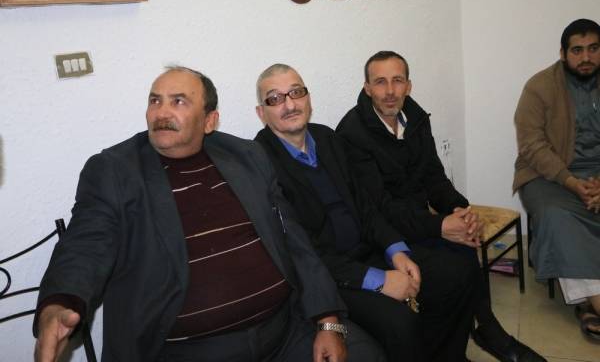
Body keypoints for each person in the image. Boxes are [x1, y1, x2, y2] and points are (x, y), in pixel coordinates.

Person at [33, 66, 385, 362]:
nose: (161, 112)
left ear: (209, 120)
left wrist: (327, 320)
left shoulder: (248, 157)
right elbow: (86, 244)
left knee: (367, 356)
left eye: (178, 101)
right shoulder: (115, 170)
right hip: (184, 350)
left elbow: (294, 240)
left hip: (283, 332)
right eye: (155, 100)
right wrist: (60, 302)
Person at [254, 63, 479, 362]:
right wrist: (379, 280)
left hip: (369, 250)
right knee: (399, 322)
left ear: (308, 98)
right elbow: (301, 253)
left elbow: (366, 207)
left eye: (296, 92)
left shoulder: (327, 138)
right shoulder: (259, 164)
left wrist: (396, 251)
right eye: (275, 98)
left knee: (458, 273)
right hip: (329, 277)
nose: (290, 104)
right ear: (261, 113)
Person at [336, 51, 547, 361]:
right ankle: (476, 336)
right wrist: (440, 226)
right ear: (367, 88)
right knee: (453, 271)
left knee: (464, 246)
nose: (390, 91)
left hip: (416, 222)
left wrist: (460, 210)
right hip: (383, 237)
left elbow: (434, 177)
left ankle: (478, 333)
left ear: (409, 85)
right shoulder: (352, 135)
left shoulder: (415, 118)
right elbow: (379, 209)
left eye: (397, 80)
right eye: (380, 82)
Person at [513, 18, 600, 341]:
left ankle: (587, 304)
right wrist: (571, 182)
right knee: (556, 216)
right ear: (563, 54)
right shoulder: (539, 87)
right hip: (549, 176)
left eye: (593, 48)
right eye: (577, 50)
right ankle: (596, 299)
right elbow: (532, 146)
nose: (586, 57)